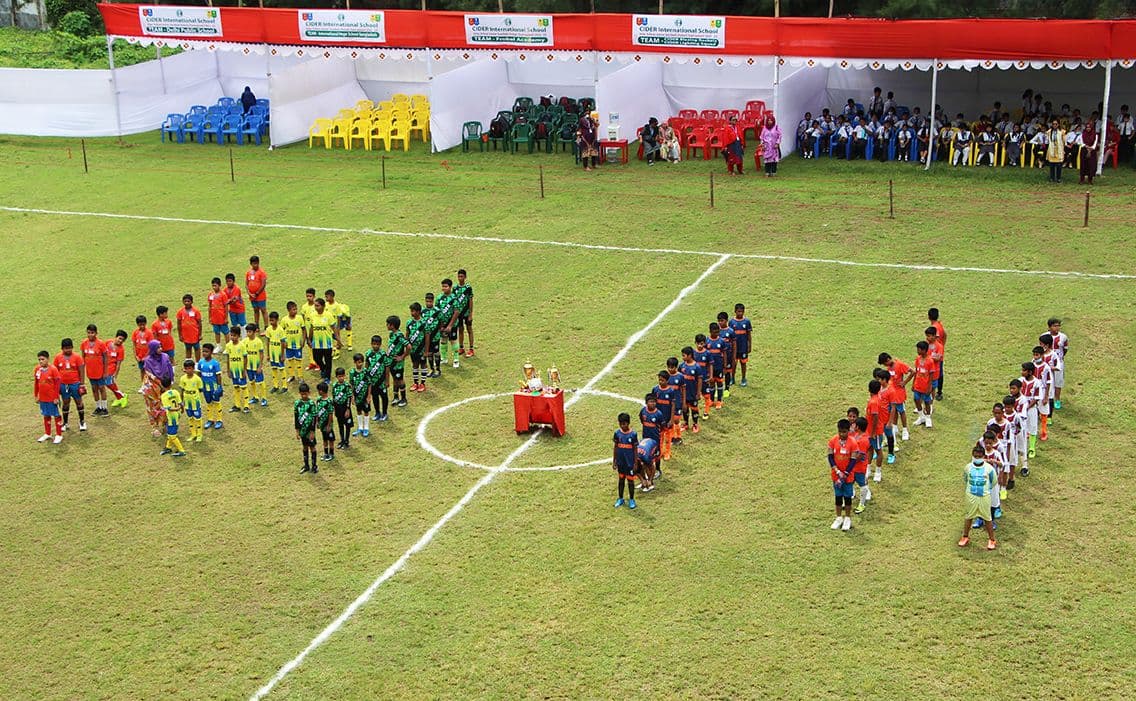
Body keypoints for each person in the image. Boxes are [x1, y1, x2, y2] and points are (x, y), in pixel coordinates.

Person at [959, 446, 997, 550]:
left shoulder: (989, 469)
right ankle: (965, 537)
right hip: (971, 496)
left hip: (984, 497)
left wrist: (985, 490)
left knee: (987, 518)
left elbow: (993, 481)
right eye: (975, 456)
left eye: (979, 456)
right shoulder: (968, 467)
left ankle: (992, 539)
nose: (977, 458)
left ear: (983, 456)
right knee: (969, 516)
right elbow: (966, 479)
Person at [828, 419, 858, 532]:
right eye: (840, 432)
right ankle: (839, 517)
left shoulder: (853, 443)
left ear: (848, 431)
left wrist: (845, 473)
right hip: (836, 476)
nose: (842, 434)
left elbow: (853, 460)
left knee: (847, 497)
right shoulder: (832, 441)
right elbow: (830, 457)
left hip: (848, 476)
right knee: (838, 497)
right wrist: (837, 471)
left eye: (844, 432)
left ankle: (847, 518)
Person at [141, 339, 173, 437]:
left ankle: (164, 424)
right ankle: (155, 427)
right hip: (152, 389)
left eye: (160, 346)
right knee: (152, 407)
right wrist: (160, 384)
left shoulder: (165, 357)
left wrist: (169, 382)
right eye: (158, 347)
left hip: (164, 386)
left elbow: (170, 370)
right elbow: (150, 375)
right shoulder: (148, 361)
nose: (160, 349)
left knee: (165, 405)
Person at [878, 352, 913, 440]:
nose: (885, 365)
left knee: (901, 411)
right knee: (893, 411)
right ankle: (895, 426)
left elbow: (912, 372)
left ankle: (905, 430)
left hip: (899, 393)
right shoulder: (888, 368)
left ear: (888, 359)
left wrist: (905, 382)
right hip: (891, 393)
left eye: (885, 363)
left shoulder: (900, 364)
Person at [55, 338, 86, 432]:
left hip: (75, 384)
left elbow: (81, 371)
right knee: (65, 403)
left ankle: (82, 421)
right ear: (62, 348)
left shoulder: (77, 357)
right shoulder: (58, 357)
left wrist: (82, 384)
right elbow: (55, 372)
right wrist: (56, 386)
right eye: (65, 348)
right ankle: (65, 423)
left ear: (72, 347)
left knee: (79, 402)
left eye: (69, 348)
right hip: (64, 385)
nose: (67, 350)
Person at [34, 350, 64, 444]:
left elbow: (57, 384)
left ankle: (59, 435)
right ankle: (47, 433)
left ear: (48, 359)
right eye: (39, 359)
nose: (41, 361)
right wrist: (36, 395)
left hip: (52, 397)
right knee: (46, 414)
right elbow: (36, 383)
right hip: (43, 398)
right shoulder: (37, 369)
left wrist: (56, 397)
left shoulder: (53, 369)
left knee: (56, 415)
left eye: (43, 359)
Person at [308, 298, 340, 383]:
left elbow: (334, 328)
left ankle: (327, 377)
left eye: (317, 305)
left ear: (323, 306)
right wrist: (309, 339)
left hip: (327, 343)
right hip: (316, 343)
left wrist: (338, 339)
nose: (316, 307)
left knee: (328, 360)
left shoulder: (328, 315)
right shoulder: (313, 315)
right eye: (315, 305)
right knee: (316, 358)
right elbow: (311, 328)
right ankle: (323, 369)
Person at [81, 324, 109, 417]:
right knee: (94, 389)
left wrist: (105, 371)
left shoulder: (101, 343)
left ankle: (104, 408)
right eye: (88, 333)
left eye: (92, 333)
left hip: (100, 371)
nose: (90, 335)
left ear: (96, 333)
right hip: (90, 372)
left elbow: (105, 357)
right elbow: (83, 357)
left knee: (101, 388)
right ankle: (98, 407)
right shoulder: (84, 343)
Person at [612, 412, 638, 509]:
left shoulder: (633, 434)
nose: (623, 426)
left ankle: (631, 499)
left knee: (630, 481)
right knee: (621, 480)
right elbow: (615, 447)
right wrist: (614, 461)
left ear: (628, 423)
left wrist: (635, 463)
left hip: (630, 463)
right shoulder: (617, 434)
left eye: (625, 423)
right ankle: (620, 498)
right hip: (621, 462)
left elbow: (635, 449)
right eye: (621, 424)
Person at [197, 343, 224, 430]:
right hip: (205, 387)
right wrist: (199, 385)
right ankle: (210, 419)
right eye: (203, 351)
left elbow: (218, 376)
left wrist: (219, 386)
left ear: (211, 352)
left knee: (216, 402)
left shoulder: (215, 363)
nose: (204, 353)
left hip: (214, 387)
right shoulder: (200, 362)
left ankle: (219, 420)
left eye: (206, 351)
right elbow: (199, 374)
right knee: (208, 402)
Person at [651, 372, 677, 461]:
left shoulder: (671, 391)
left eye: (662, 380)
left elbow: (673, 405)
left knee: (668, 436)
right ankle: (661, 451)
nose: (660, 382)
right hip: (658, 419)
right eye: (659, 380)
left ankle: (668, 452)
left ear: (667, 380)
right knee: (660, 436)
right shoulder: (655, 389)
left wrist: (672, 419)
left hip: (667, 418)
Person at [436, 278, 461, 368]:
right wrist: (441, 325)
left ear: (450, 287)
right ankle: (444, 358)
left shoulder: (454, 298)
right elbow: (437, 312)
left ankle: (456, 359)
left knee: (453, 341)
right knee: (443, 340)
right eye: (442, 286)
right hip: (443, 324)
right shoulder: (439, 298)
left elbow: (457, 312)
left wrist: (450, 325)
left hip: (452, 324)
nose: (444, 288)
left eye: (446, 286)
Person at [159, 378, 187, 458]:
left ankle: (181, 450)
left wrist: (164, 419)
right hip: (177, 415)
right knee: (170, 433)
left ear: (162, 385)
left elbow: (168, 409)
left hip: (171, 417)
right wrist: (181, 409)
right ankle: (168, 447)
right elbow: (180, 402)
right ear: (171, 384)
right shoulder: (175, 392)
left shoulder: (164, 396)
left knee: (172, 435)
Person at [866, 379, 888, 481]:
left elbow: (875, 417)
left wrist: (874, 432)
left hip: (876, 431)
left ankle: (878, 472)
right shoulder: (875, 399)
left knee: (878, 450)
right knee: (869, 448)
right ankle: (868, 468)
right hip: (869, 431)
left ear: (869, 389)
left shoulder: (874, 402)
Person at [679, 347, 704, 434]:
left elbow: (700, 380)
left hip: (693, 392)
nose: (682, 357)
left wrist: (698, 392)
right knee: (685, 409)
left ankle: (695, 424)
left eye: (684, 355)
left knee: (694, 409)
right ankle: (686, 423)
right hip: (684, 393)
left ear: (690, 355)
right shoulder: (681, 366)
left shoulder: (697, 367)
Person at [281, 300, 307, 385]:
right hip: (288, 345)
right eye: (293, 309)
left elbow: (303, 329)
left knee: (298, 360)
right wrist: (284, 342)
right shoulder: (284, 320)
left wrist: (303, 340)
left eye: (296, 309)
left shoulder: (299, 318)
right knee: (290, 360)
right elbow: (281, 332)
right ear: (288, 310)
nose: (295, 311)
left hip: (298, 344)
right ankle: (292, 376)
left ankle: (300, 377)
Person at [224, 327, 249, 414]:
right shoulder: (228, 346)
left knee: (243, 387)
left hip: (241, 370)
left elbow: (245, 358)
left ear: (238, 336)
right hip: (233, 370)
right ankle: (237, 405)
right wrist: (228, 370)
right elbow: (228, 358)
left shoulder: (242, 345)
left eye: (234, 335)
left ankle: (246, 406)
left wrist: (244, 370)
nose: (232, 337)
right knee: (236, 387)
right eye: (231, 335)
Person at [294, 382, 318, 474]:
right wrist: (297, 431)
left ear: (309, 393)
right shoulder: (297, 403)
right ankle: (306, 465)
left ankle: (314, 466)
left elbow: (314, 418)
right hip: (302, 430)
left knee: (312, 447)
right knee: (304, 447)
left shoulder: (311, 404)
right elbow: (296, 418)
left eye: (305, 394)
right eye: (302, 394)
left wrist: (312, 432)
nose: (304, 395)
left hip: (309, 430)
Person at [386, 315, 410, 408]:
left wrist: (402, 356)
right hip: (391, 361)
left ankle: (404, 398)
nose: (386, 325)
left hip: (398, 364)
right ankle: (396, 397)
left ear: (392, 325)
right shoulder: (392, 334)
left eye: (387, 324)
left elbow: (408, 346)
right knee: (395, 379)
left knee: (400, 380)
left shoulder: (399, 336)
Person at [1032, 345, 1054, 442]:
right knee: (1032, 411)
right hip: (1033, 391)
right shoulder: (1032, 365)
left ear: (1042, 355)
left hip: (1043, 390)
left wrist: (1046, 396)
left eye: (1037, 355)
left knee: (1043, 412)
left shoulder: (1046, 367)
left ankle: (1044, 431)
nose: (1035, 357)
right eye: (1034, 355)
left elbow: (1049, 382)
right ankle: (1031, 431)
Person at [365, 335, 390, 422]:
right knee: (375, 397)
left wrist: (387, 380)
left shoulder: (383, 355)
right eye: (374, 344)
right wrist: (366, 380)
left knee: (384, 397)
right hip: (372, 382)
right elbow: (366, 367)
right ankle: (377, 413)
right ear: (371, 344)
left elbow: (387, 368)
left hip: (382, 381)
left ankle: (385, 413)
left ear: (380, 344)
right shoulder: (368, 354)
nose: (375, 346)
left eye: (377, 344)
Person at [179, 359, 204, 443]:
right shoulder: (182, 379)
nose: (188, 370)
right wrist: (181, 402)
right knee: (190, 418)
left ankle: (199, 434)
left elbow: (200, 389)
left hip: (195, 402)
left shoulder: (197, 379)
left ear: (193, 368)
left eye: (190, 368)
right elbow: (182, 390)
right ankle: (193, 434)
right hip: (187, 402)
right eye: (186, 368)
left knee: (197, 418)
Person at [912, 341, 936, 429]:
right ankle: (921, 416)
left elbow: (931, 374)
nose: (917, 351)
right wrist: (913, 383)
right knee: (916, 399)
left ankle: (928, 418)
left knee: (927, 402)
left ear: (924, 350)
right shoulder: (918, 359)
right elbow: (916, 371)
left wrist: (929, 386)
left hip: (925, 386)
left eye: (918, 349)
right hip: (917, 385)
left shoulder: (930, 361)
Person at [406, 302, 429, 393]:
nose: (412, 313)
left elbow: (427, 337)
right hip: (413, 349)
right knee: (415, 365)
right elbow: (407, 335)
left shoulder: (424, 323)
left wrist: (426, 351)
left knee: (423, 365)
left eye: (414, 311)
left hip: (422, 349)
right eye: (411, 311)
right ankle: (415, 383)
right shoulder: (409, 322)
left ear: (419, 312)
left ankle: (422, 383)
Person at [851, 416, 872, 514]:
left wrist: (850, 462)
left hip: (859, 468)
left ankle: (862, 504)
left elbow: (860, 455)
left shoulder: (863, 440)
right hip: (854, 467)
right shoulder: (857, 435)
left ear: (858, 427)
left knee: (862, 485)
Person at [1047, 318, 1069, 409]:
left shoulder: (1063, 337)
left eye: (1058, 326)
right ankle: (1049, 398)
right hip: (1047, 362)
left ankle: (1057, 399)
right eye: (1055, 326)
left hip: (1058, 362)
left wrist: (1060, 357)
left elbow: (1065, 349)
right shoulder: (1045, 336)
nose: (1057, 328)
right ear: (1049, 327)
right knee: (1048, 381)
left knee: (1058, 381)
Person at [728, 304, 752, 387]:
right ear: (735, 311)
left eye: (741, 312)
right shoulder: (731, 322)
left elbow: (749, 335)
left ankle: (743, 378)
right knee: (733, 363)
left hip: (743, 347)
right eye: (738, 311)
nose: (740, 313)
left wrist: (749, 345)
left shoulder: (747, 322)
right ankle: (732, 378)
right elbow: (729, 335)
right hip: (734, 348)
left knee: (743, 363)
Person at [243, 323, 267, 407]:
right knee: (252, 381)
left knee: (260, 382)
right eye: (247, 332)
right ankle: (255, 397)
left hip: (256, 367)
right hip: (249, 367)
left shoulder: (258, 342)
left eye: (250, 332)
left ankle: (264, 398)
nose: (248, 333)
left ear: (254, 332)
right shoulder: (244, 341)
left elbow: (261, 354)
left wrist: (260, 366)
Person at [349, 353, 372, 438]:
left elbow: (369, 384)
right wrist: (352, 396)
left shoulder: (365, 372)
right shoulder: (352, 372)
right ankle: (360, 427)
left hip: (365, 396)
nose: (360, 364)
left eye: (362, 362)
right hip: (357, 396)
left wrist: (369, 395)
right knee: (358, 411)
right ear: (355, 362)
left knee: (366, 411)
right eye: (358, 362)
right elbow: (351, 385)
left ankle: (366, 428)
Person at [331, 367, 354, 451]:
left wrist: (348, 409)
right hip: (338, 407)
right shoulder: (335, 385)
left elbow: (349, 397)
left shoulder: (347, 386)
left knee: (347, 425)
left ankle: (347, 441)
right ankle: (342, 440)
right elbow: (334, 397)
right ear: (336, 377)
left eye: (342, 376)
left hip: (345, 407)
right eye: (339, 376)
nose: (341, 378)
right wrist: (333, 408)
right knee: (340, 425)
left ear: (344, 376)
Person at [421, 293, 443, 379]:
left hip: (435, 337)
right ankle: (431, 369)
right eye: (427, 301)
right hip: (427, 337)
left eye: (430, 301)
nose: (428, 303)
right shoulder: (423, 311)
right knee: (429, 353)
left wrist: (439, 331)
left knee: (436, 353)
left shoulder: (437, 311)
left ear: (433, 301)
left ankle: (438, 369)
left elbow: (441, 322)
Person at [104, 329, 128, 409]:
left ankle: (122, 396)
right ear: (116, 337)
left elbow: (118, 363)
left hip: (111, 369)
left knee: (109, 383)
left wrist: (116, 374)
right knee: (109, 384)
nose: (121, 341)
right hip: (103, 367)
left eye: (123, 340)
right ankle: (119, 397)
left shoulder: (121, 349)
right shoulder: (107, 343)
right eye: (120, 338)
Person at [176, 294, 203, 363]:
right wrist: (180, 335)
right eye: (185, 301)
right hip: (186, 335)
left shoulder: (196, 311)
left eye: (188, 301)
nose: (187, 303)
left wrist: (200, 334)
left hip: (195, 335)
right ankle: (188, 363)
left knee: (197, 348)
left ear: (192, 302)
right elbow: (179, 324)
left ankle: (197, 363)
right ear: (183, 302)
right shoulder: (180, 312)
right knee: (188, 348)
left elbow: (199, 323)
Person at [264, 311, 286, 393]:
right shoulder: (268, 329)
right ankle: (275, 385)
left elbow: (283, 343)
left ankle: (284, 386)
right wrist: (268, 354)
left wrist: (283, 355)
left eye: (273, 320)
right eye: (270, 320)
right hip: (272, 353)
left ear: (277, 320)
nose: (271, 322)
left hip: (279, 353)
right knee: (274, 369)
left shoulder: (280, 330)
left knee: (281, 369)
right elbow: (268, 342)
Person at [455, 269, 474, 358]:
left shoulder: (468, 288)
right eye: (459, 276)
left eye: (462, 276)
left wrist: (470, 314)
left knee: (469, 329)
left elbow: (470, 300)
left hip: (466, 313)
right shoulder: (455, 288)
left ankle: (471, 349)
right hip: (459, 314)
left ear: (465, 277)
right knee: (460, 330)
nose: (460, 278)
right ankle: (461, 347)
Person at [706, 323, 727, 408]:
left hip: (719, 366)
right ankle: (711, 400)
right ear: (710, 331)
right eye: (714, 332)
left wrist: (725, 365)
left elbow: (724, 353)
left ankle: (719, 401)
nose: (716, 334)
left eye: (717, 332)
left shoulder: (721, 341)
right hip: (710, 368)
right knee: (711, 383)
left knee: (719, 383)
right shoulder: (707, 341)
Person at [928, 308, 946, 400]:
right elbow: (945, 334)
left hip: (936, 355)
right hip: (938, 353)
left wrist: (939, 347)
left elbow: (937, 339)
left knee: (938, 373)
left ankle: (938, 392)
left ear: (928, 317)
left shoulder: (935, 328)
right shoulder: (939, 325)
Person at [314, 381, 335, 463]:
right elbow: (317, 412)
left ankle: (331, 454)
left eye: (319, 390)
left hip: (327, 424)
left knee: (331, 439)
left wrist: (329, 425)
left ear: (321, 391)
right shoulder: (319, 400)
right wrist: (318, 422)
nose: (318, 392)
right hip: (322, 424)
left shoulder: (329, 402)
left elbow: (330, 414)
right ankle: (326, 453)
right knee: (324, 439)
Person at [245, 256, 268, 330]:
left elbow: (263, 284)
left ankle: (266, 326)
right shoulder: (248, 273)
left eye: (256, 263)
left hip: (260, 296)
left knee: (263, 310)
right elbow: (246, 284)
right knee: (255, 310)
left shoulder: (262, 272)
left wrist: (257, 293)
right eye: (254, 263)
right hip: (252, 296)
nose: (255, 265)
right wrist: (249, 293)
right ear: (251, 264)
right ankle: (257, 325)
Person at [132, 315, 154, 388]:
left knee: (149, 371)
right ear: (137, 324)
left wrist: (146, 356)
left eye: (143, 324)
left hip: (148, 357)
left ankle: (150, 385)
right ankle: (143, 385)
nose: (142, 326)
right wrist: (136, 356)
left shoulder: (149, 333)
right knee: (142, 370)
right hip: (139, 357)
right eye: (140, 324)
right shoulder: (135, 333)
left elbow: (151, 346)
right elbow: (134, 345)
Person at [207, 278, 229, 347]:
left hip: (221, 317)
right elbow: (210, 306)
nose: (214, 287)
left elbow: (226, 307)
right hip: (214, 318)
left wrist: (226, 318)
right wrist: (210, 317)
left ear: (219, 285)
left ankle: (228, 346)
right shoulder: (211, 294)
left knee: (225, 332)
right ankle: (218, 346)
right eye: (213, 286)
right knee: (216, 332)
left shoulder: (223, 295)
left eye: (215, 285)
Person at [1045, 118, 1066, 182]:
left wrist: (1063, 149)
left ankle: (1058, 178)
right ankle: (1052, 177)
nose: (1054, 125)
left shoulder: (1062, 132)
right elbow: (1047, 140)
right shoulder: (1049, 132)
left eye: (1056, 124)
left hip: (1059, 149)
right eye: (1053, 124)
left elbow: (1064, 141)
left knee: (1059, 165)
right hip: (1051, 149)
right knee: (1052, 165)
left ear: (1058, 125)